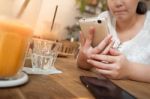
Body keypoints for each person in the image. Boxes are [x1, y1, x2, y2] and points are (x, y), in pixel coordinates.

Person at [77, 0, 150, 83]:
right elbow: (82, 63)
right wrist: (85, 58)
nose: (118, 3)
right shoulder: (104, 19)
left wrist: (130, 70)